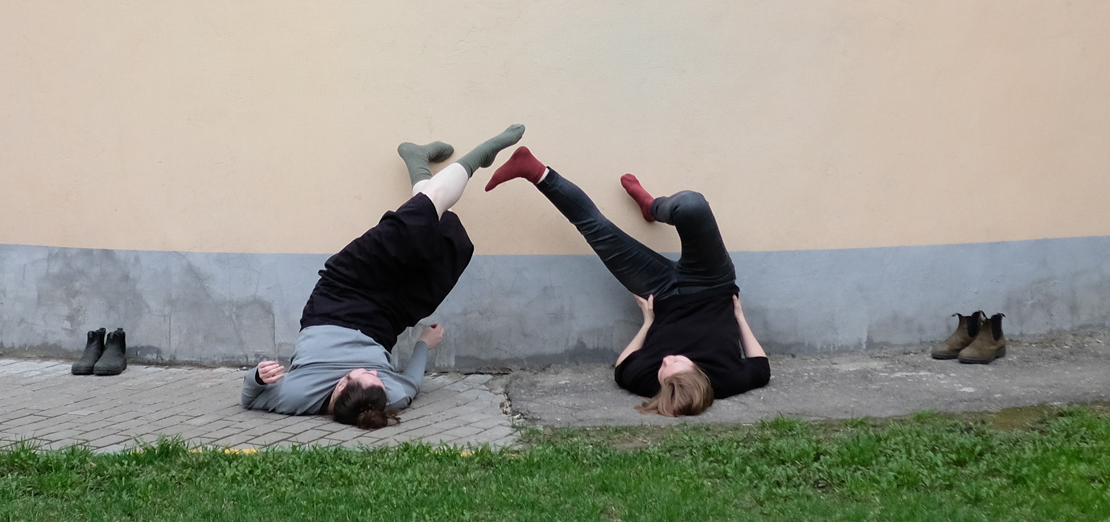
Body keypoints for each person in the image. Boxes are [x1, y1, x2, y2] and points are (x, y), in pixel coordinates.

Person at [241, 124, 525, 428]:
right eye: (377, 376)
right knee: (448, 242)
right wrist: (423, 344)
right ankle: (417, 161)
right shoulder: (385, 397)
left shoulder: (296, 397)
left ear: (341, 385)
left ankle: (481, 155)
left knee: (417, 222)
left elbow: (250, 398)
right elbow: (411, 384)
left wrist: (257, 377)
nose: (377, 372)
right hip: (384, 320)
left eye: (366, 373)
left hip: (339, 296)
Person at [485, 143, 768, 415]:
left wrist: (647, 323)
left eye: (662, 368)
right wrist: (739, 317)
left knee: (595, 228)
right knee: (691, 205)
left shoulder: (650, 384)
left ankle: (535, 171)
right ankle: (653, 207)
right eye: (676, 361)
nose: (667, 358)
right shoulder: (728, 380)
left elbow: (622, 366)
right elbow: (761, 365)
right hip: (712, 283)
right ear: (699, 374)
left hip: (660, 294)